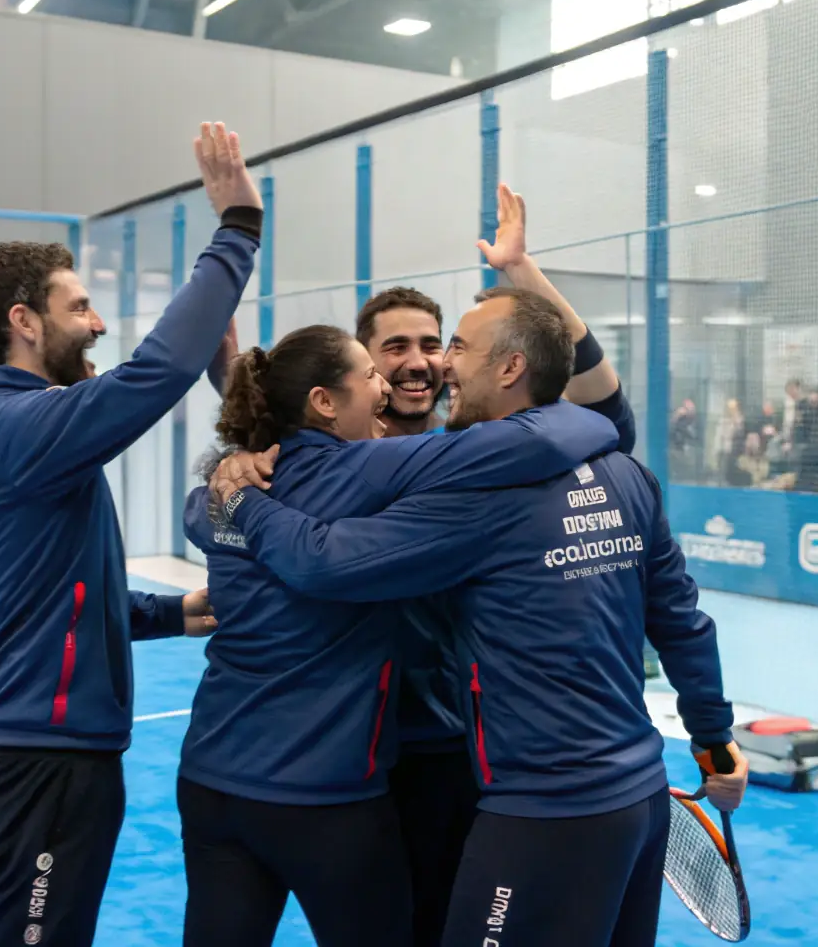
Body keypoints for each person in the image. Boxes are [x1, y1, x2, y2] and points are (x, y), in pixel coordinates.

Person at [211, 287, 746, 947]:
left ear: (510, 367)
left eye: (456, 347)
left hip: (542, 813)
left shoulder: (479, 496)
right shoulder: (627, 476)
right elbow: (682, 621)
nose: (441, 365)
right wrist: (714, 740)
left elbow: (322, 562)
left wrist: (236, 500)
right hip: (638, 795)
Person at [178, 323, 621, 947]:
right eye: (369, 375)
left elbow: (200, 511)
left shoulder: (216, 496)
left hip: (210, 778)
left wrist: (236, 472)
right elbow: (556, 436)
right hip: (323, 793)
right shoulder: (368, 470)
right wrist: (601, 418)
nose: (383, 388)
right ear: (324, 402)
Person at [0, 122, 257, 947]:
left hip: (45, 757)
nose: (95, 324)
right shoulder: (24, 425)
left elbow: (55, 598)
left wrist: (167, 613)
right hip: (39, 764)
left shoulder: (13, 426)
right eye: (78, 307)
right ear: (23, 321)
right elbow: (158, 371)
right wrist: (237, 229)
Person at [346, 182, 635, 946]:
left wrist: (520, 273)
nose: (420, 362)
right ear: (362, 365)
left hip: (473, 747)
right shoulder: (338, 462)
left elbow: (604, 409)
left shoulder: (484, 453)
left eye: (435, 344)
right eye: (395, 348)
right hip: (363, 750)